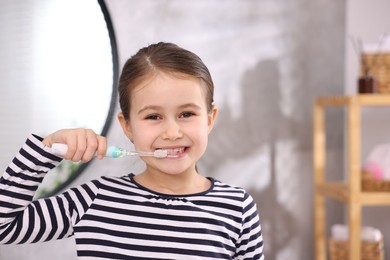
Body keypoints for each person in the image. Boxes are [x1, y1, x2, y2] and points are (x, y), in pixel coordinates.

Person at [0, 42, 264, 259]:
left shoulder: (237, 207)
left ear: (209, 119)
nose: (172, 132)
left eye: (186, 113)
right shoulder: (94, 200)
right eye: (153, 117)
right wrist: (47, 149)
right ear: (127, 126)